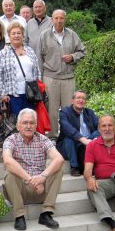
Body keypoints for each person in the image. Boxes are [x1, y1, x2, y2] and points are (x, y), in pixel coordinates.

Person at [2, 108, 64, 231]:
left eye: (32, 123)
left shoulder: (43, 139)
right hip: (19, 190)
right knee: (10, 172)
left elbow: (59, 159)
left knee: (58, 169)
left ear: (36, 125)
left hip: (40, 191)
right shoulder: (11, 140)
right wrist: (31, 179)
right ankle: (19, 216)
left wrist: (42, 177)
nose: (28, 126)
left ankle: (46, 213)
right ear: (18, 126)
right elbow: (7, 161)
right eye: (25, 123)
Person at [38, 9, 86, 138]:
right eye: (56, 18)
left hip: (68, 77)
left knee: (69, 109)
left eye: (61, 18)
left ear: (65, 19)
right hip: (50, 77)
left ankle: (68, 136)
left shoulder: (72, 34)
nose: (59, 21)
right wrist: (40, 79)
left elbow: (82, 51)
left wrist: (72, 56)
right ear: (52, 19)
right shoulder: (44, 35)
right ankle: (53, 136)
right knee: (52, 110)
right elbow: (39, 57)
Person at [0, 22, 41, 116]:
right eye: (13, 33)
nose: (16, 36)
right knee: (15, 124)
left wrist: (38, 89)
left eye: (19, 33)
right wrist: (3, 94)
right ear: (9, 36)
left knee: (29, 121)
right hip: (13, 96)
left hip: (30, 95)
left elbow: (37, 71)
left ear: (23, 35)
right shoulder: (3, 53)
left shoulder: (30, 51)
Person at [56, 90, 99, 176]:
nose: (81, 100)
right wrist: (83, 139)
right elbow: (67, 128)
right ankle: (74, 166)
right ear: (72, 101)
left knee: (100, 131)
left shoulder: (89, 112)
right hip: (70, 144)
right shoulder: (64, 112)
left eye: (83, 98)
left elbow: (99, 126)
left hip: (87, 141)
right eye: (78, 98)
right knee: (69, 138)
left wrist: (94, 138)